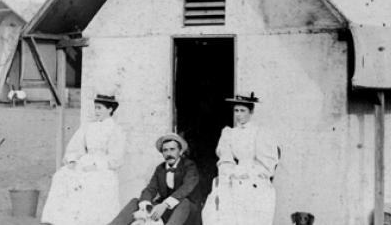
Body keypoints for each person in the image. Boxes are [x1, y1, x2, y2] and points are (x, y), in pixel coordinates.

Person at [41, 94, 126, 225]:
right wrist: (72, 160)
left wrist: (96, 166)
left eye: (100, 108)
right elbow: (76, 147)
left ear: (110, 110)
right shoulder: (88, 127)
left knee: (92, 181)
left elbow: (116, 158)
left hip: (103, 167)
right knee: (61, 176)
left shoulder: (116, 130)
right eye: (95, 108)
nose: (96, 111)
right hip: (85, 162)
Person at [202, 92, 280, 225]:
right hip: (234, 175)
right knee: (216, 208)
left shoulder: (260, 132)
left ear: (251, 112)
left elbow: (267, 164)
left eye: (243, 110)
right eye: (236, 110)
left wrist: (250, 173)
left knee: (251, 204)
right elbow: (225, 160)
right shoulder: (228, 133)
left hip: (255, 177)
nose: (238, 114)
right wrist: (232, 172)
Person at [108, 133, 201, 225]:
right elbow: (150, 189)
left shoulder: (189, 166)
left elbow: (186, 188)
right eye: (165, 150)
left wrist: (165, 204)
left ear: (180, 151)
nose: (169, 154)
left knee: (185, 202)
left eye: (172, 149)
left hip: (186, 211)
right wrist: (146, 205)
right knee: (135, 202)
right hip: (166, 212)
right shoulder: (160, 169)